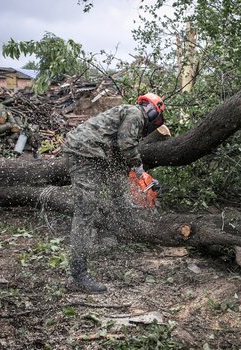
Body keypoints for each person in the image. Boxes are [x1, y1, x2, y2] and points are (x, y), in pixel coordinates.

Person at [62, 92, 165, 294]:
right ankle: (77, 275)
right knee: (85, 211)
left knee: (117, 187)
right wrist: (139, 169)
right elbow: (127, 146)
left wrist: (139, 184)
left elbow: (120, 156)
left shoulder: (127, 115)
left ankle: (116, 232)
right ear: (153, 113)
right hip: (83, 153)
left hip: (91, 153)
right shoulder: (136, 114)